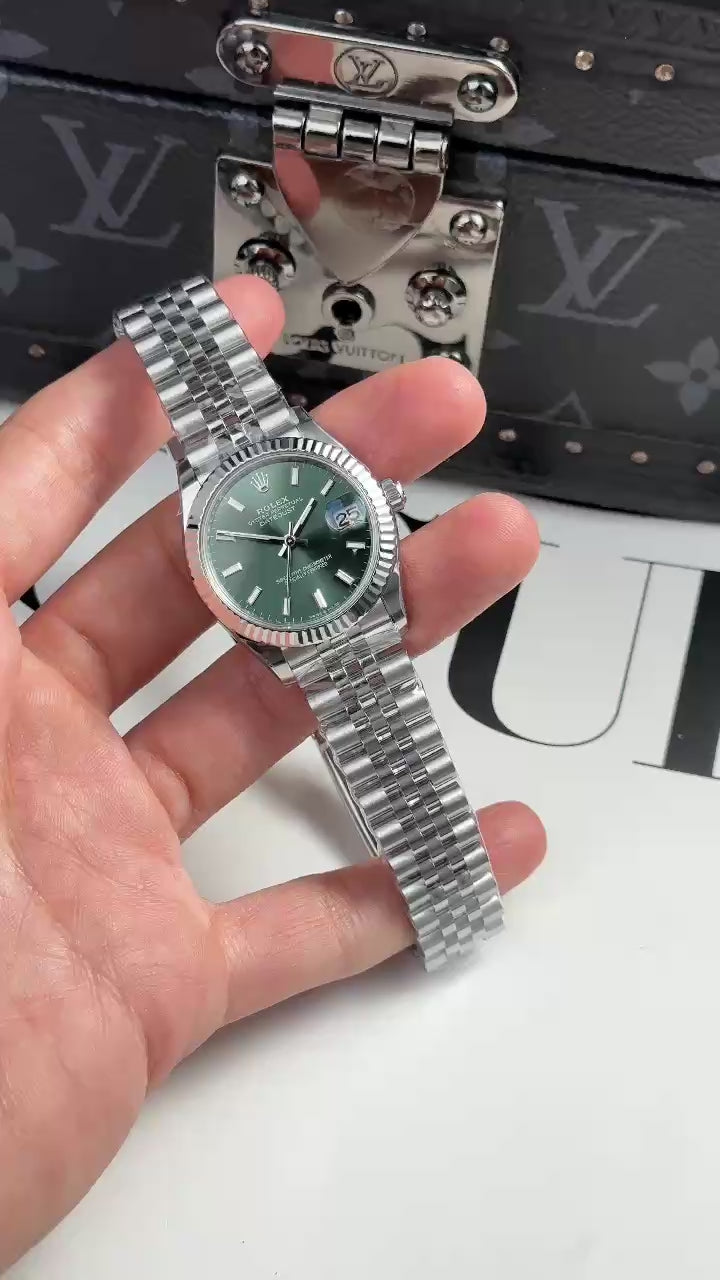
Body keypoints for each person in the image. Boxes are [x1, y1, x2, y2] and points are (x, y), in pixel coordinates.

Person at [0, 277, 545, 1269]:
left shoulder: (318, 508)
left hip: (350, 613)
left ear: (375, 501)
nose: (292, 533)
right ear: (207, 575)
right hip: (304, 628)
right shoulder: (222, 548)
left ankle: (447, 894)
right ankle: (448, 897)